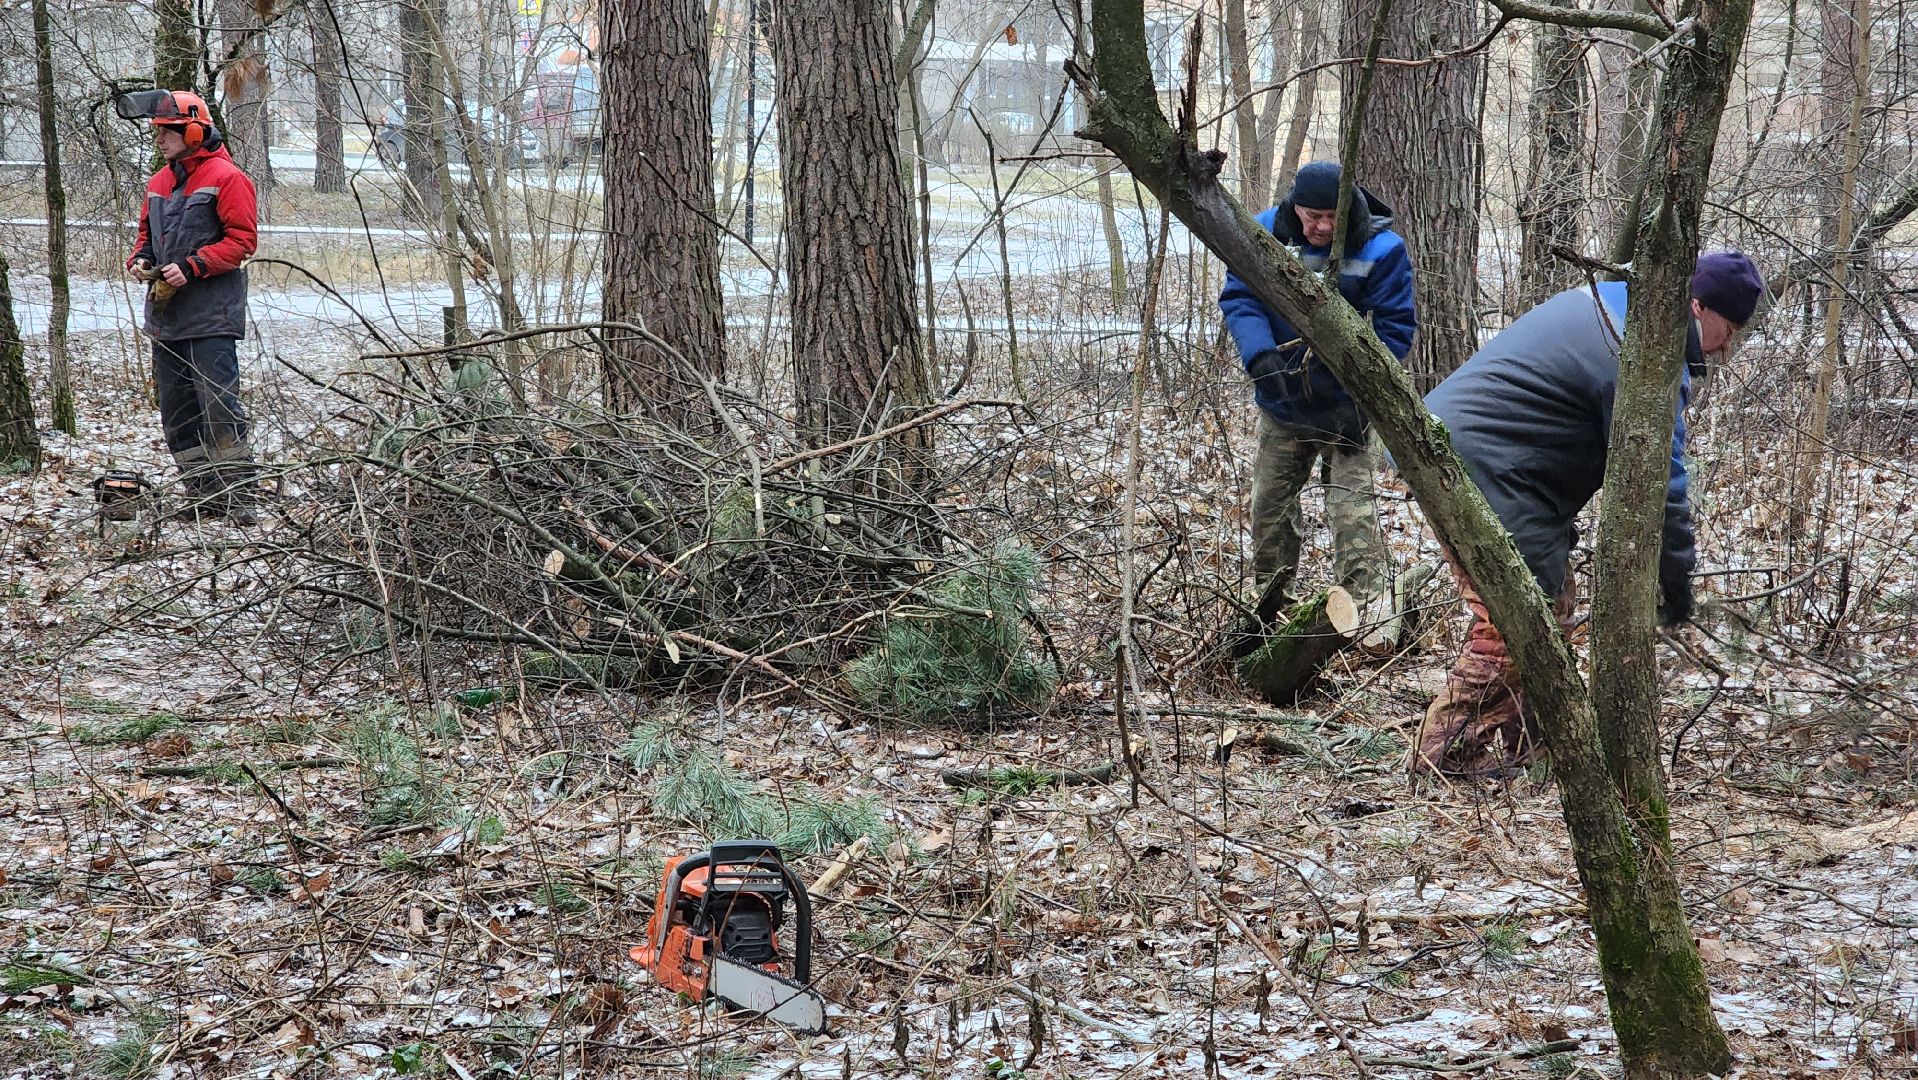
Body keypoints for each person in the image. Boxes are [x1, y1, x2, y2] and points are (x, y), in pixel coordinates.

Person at [1414, 251, 1765, 777]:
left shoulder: (1611, 302)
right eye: (1729, 329)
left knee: (1552, 607)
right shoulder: (1643, 354)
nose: (1726, 347)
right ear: (1698, 306)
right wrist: (1677, 582)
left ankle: (1528, 754)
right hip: (1484, 466)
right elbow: (1663, 485)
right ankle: (1436, 760)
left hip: (1471, 455)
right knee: (1517, 624)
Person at [1219, 161, 1417, 620]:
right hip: (1282, 399)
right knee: (1270, 508)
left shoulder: (1382, 248)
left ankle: (1366, 614)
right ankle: (1271, 609)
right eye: (1313, 217)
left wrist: (1362, 398)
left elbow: (1394, 329)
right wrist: (1259, 356)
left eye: (1333, 217)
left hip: (1347, 407)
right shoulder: (1264, 232)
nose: (1323, 227)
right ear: (1295, 208)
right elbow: (1240, 296)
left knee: (1353, 513)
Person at [124, 89, 261, 521]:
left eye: (168, 132)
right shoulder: (158, 183)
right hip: (167, 319)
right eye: (158, 132)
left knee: (219, 407)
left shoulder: (228, 178)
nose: (160, 140)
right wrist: (140, 260)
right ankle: (202, 496)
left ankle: (239, 498)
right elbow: (147, 237)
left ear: (194, 132)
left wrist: (194, 265)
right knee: (178, 414)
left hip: (211, 316)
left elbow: (242, 241)